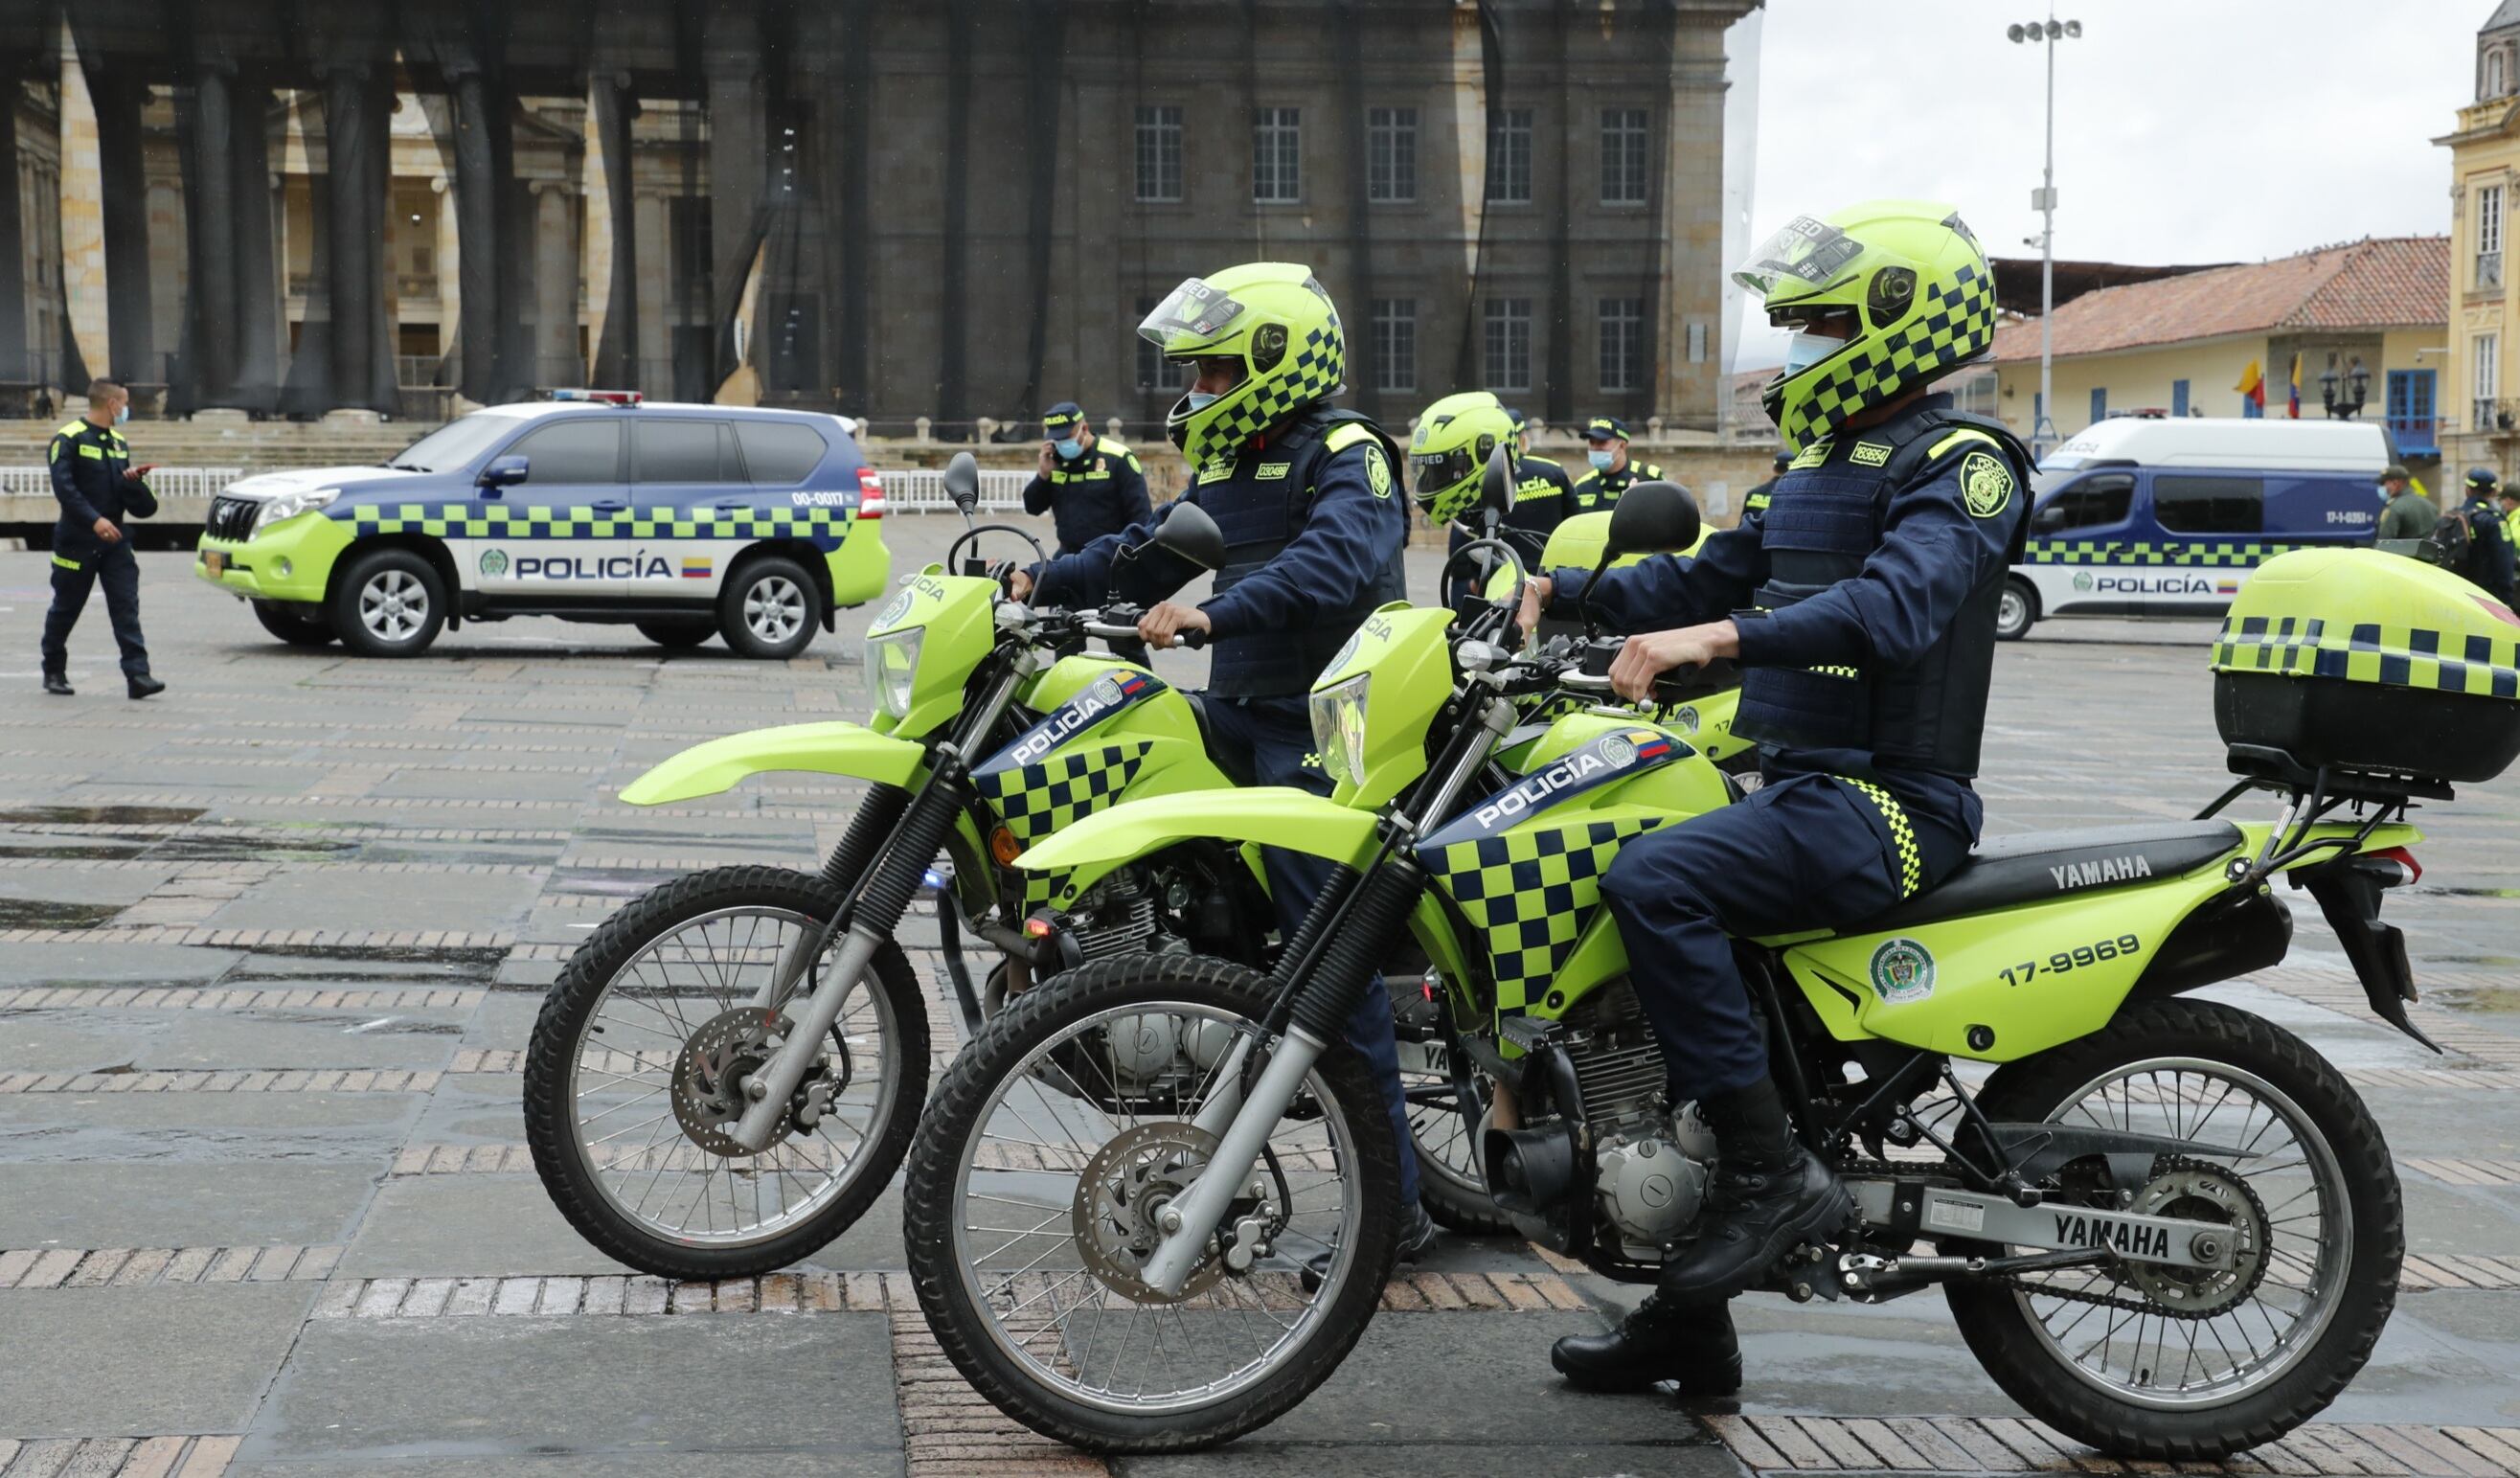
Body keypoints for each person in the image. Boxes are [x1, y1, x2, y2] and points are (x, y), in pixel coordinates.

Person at [1520, 200, 2027, 1395]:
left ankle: (1768, 1177)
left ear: (1892, 326)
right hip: (1802, 784)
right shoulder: (1817, 465)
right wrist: (1567, 588)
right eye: (1791, 320)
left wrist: (1714, 639)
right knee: (1624, 867)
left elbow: (1894, 607)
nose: (1793, 342)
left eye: (1815, 322)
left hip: (1894, 802)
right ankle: (1692, 1310)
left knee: (1655, 880)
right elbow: (1713, 569)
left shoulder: (1964, 467)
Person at [1005, 262, 1435, 1267]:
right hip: (1236, 716)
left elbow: (1335, 558)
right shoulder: (1231, 467)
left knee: (1330, 962)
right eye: (1191, 372)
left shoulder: (1348, 451)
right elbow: (1149, 549)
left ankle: (1395, 1209)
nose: (1192, 390)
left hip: (1328, 731)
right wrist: (1034, 578)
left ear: (1272, 364)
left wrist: (1213, 611)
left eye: (1210, 371)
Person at [41, 378, 163, 699]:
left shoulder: (118, 443)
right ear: (112, 404)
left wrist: (134, 483)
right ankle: (53, 669)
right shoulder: (68, 438)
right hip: (76, 541)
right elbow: (65, 490)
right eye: (124, 403)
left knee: (126, 607)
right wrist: (94, 521)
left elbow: (142, 508)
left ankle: (138, 675)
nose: (126, 409)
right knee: (66, 608)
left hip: (115, 543)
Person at [1428, 392, 1577, 604]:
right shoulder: (1553, 471)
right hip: (1550, 585)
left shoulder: (1477, 480)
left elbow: (1460, 551)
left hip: (1494, 588)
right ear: (1521, 437)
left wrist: (1473, 583)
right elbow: (1573, 526)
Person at [1022, 401, 1151, 558]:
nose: (1062, 444)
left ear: (1084, 429)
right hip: (1069, 557)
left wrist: (1129, 557)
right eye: (1057, 440)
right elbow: (1032, 507)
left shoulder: (1117, 457)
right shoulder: (1056, 461)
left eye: (1066, 437)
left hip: (1110, 557)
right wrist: (1043, 475)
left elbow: (1141, 516)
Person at [1570, 415, 1666, 512]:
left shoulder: (1648, 477)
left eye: (1602, 442)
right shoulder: (1583, 486)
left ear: (1622, 446)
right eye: (1591, 442)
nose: (1595, 448)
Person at [2458, 469, 2515, 603]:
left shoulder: (2453, 517)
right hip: (2486, 597)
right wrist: (2507, 600)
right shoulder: (2494, 520)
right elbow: (2504, 563)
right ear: (2493, 493)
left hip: (2456, 594)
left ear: (2467, 490)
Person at [2375, 465, 2439, 542]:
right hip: (2427, 553)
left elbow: (2384, 542)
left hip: (2402, 554)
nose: (2383, 488)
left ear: (2395, 484)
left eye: (2384, 484)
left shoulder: (2394, 508)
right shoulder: (2430, 505)